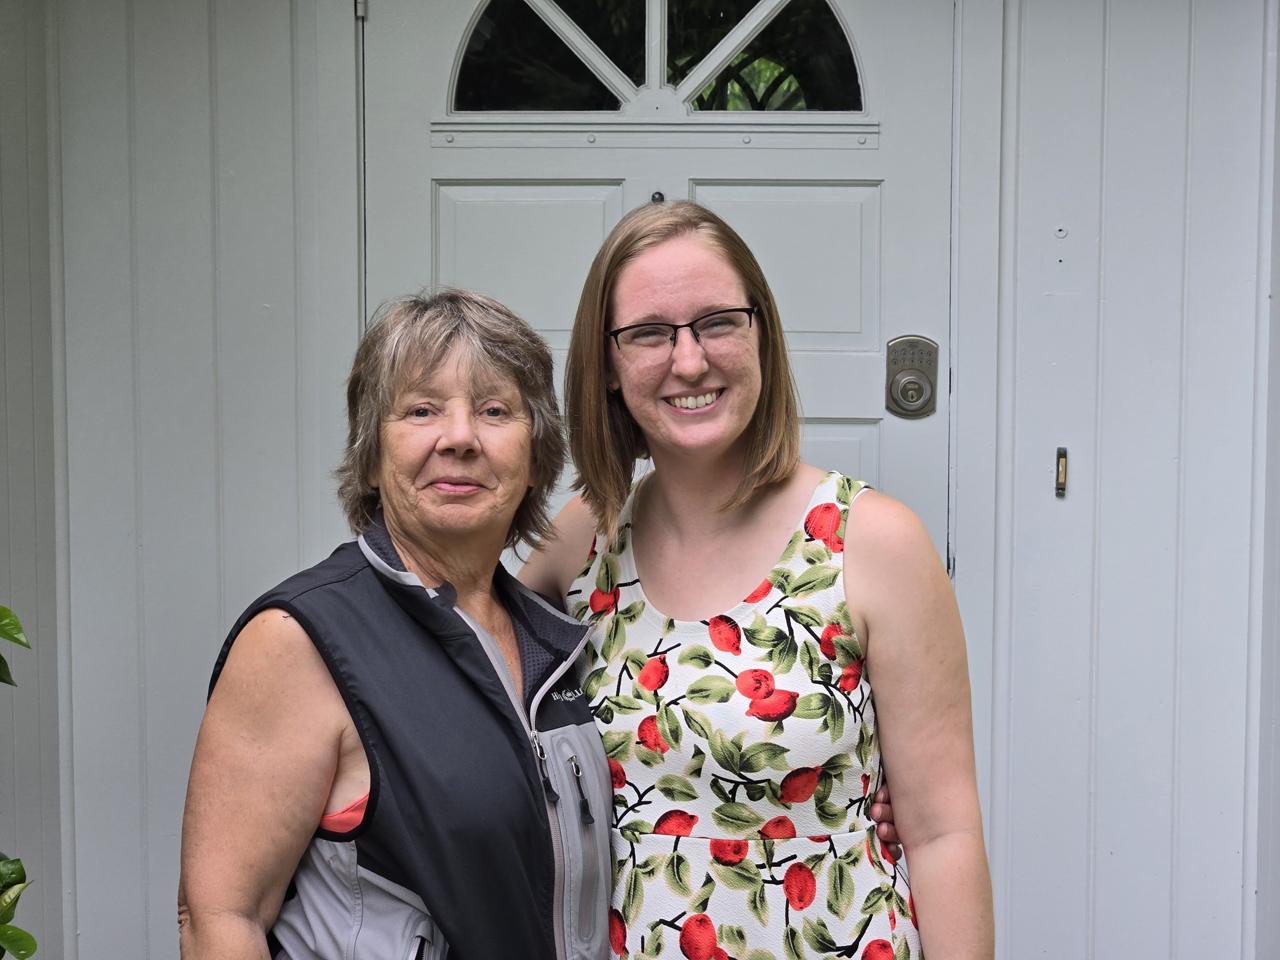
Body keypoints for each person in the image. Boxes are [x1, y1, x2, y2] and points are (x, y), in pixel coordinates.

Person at [521, 201, 993, 959]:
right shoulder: (582, 542)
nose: (689, 360)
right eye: (648, 333)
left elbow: (943, 833)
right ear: (606, 367)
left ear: (760, 335)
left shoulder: (872, 542)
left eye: (717, 322)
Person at [178, 290, 616, 959]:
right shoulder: (301, 639)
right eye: (422, 409)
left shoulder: (551, 637)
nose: (461, 437)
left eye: (494, 410)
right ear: (373, 452)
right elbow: (219, 918)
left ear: (535, 457)